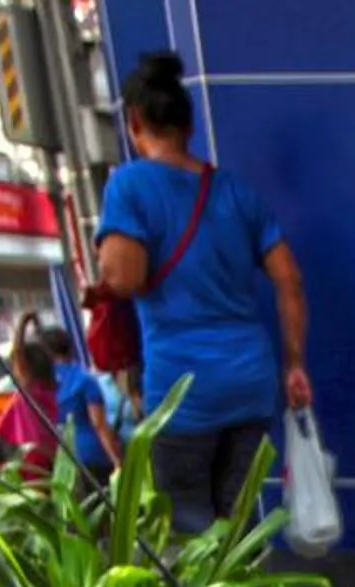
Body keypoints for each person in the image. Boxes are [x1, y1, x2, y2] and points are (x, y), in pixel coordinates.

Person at [95, 50, 312, 533]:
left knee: (188, 526)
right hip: (249, 381)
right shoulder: (234, 192)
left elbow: (124, 278)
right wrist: (294, 362)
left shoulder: (129, 186)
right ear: (187, 126)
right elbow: (289, 280)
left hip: (182, 390)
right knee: (237, 524)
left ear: (134, 123)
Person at [44, 325, 121, 484]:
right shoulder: (84, 379)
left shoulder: (44, 384)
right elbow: (98, 423)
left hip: (63, 461)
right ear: (70, 348)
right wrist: (116, 460)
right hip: (92, 454)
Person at [0, 327, 63, 481]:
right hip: (50, 456)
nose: (14, 369)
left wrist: (22, 324)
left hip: (35, 461)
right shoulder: (47, 391)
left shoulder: (30, 393)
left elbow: (18, 353)